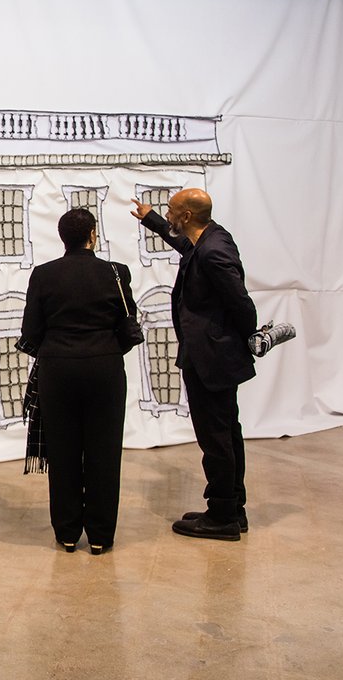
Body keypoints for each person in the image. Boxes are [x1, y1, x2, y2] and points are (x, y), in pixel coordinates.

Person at [130, 189, 257, 541]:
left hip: (211, 358)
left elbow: (241, 303)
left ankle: (222, 517)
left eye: (171, 211)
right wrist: (152, 220)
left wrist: (246, 337)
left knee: (216, 438)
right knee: (227, 433)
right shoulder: (209, 239)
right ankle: (231, 508)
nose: (168, 214)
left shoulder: (214, 252)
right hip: (215, 354)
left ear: (186, 216)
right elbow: (187, 248)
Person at [19, 208, 133, 555]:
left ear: (62, 237)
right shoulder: (115, 272)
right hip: (105, 368)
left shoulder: (44, 274)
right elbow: (128, 325)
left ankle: (67, 533)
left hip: (58, 369)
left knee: (64, 450)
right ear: (93, 235)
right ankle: (100, 536)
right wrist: (105, 348)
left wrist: (58, 349)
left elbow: (30, 332)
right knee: (104, 451)